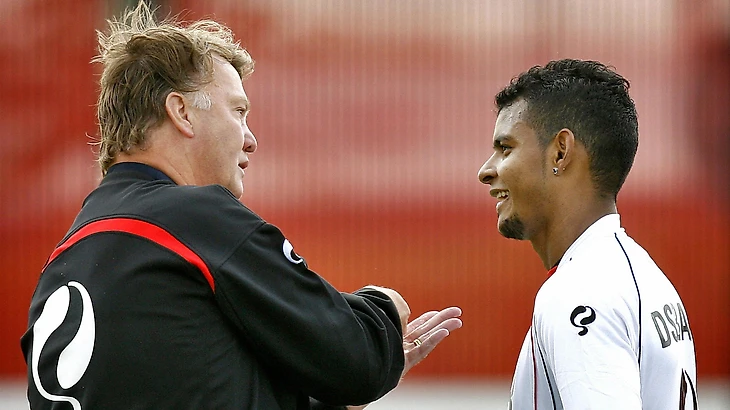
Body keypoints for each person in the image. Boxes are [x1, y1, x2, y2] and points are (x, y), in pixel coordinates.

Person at [20, 2, 462, 409]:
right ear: (182, 112)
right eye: (238, 111)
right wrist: (383, 312)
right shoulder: (195, 219)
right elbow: (356, 361)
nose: (251, 139)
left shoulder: (63, 264)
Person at [478, 59, 697, 409]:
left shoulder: (580, 290)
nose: (486, 171)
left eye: (505, 148)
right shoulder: (640, 274)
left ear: (560, 152)